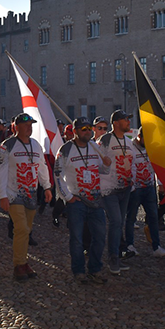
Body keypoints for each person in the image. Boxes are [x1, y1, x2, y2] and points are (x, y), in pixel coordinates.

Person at [0, 113, 52, 281]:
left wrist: (47, 186)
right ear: (16, 126)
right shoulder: (6, 146)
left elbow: (42, 167)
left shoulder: (36, 145)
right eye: (26, 124)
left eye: (31, 124)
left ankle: (24, 261)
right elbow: (1, 171)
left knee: (26, 231)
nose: (30, 127)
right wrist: (2, 195)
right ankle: (19, 265)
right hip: (14, 194)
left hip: (31, 194)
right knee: (21, 228)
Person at [55, 116, 108, 284]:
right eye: (83, 129)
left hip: (95, 199)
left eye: (89, 129)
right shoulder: (65, 150)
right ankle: (78, 270)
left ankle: (95, 269)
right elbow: (57, 175)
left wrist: (107, 164)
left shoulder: (95, 147)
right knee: (77, 239)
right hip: (77, 201)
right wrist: (68, 197)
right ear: (75, 131)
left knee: (99, 236)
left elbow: (103, 170)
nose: (88, 132)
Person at [98, 110, 135, 275]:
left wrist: (132, 178)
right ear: (116, 123)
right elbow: (94, 164)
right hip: (108, 190)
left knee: (120, 223)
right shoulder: (104, 141)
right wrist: (104, 165)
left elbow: (132, 162)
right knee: (115, 221)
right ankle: (113, 257)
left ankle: (117, 255)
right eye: (125, 120)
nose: (128, 122)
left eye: (128, 119)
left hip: (125, 189)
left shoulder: (129, 142)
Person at [124, 128, 165, 258]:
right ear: (139, 136)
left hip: (149, 187)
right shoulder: (130, 147)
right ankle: (129, 244)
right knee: (131, 217)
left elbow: (157, 165)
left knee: (153, 217)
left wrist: (160, 183)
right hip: (135, 188)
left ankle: (156, 246)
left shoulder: (152, 147)